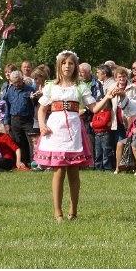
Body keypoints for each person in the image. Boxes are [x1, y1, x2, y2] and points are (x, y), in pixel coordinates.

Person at [34, 50, 112, 222]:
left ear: (75, 66)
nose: (67, 66)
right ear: (59, 66)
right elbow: (42, 109)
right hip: (55, 130)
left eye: (70, 63)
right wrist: (42, 125)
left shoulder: (80, 86)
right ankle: (57, 212)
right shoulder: (51, 86)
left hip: (73, 130)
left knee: (74, 171)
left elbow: (94, 108)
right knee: (58, 170)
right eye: (64, 63)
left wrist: (107, 96)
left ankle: (73, 210)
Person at [2, 70, 36, 165]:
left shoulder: (30, 89)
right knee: (18, 141)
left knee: (31, 142)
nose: (16, 84)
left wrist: (33, 99)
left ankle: (33, 163)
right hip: (14, 120)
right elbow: (7, 107)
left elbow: (36, 104)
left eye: (18, 82)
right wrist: (6, 122)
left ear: (22, 79)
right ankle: (23, 163)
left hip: (27, 120)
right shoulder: (10, 90)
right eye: (14, 82)